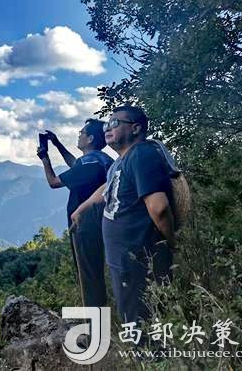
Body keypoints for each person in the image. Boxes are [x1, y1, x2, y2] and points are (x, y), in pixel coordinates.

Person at [71, 106, 175, 324]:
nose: (107, 128)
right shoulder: (121, 161)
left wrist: (171, 243)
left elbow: (159, 208)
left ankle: (150, 348)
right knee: (132, 315)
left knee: (141, 320)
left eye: (115, 123)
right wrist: (84, 207)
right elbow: (108, 186)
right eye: (107, 125)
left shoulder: (142, 154)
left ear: (135, 128)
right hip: (124, 260)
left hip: (137, 259)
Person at [36, 119, 113, 307]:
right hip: (104, 221)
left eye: (81, 133)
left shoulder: (89, 164)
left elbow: (54, 182)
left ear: (90, 138)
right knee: (98, 269)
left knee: (88, 276)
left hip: (85, 224)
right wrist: (57, 144)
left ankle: (96, 320)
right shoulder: (102, 160)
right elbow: (75, 165)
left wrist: (45, 158)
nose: (79, 135)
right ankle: (105, 313)